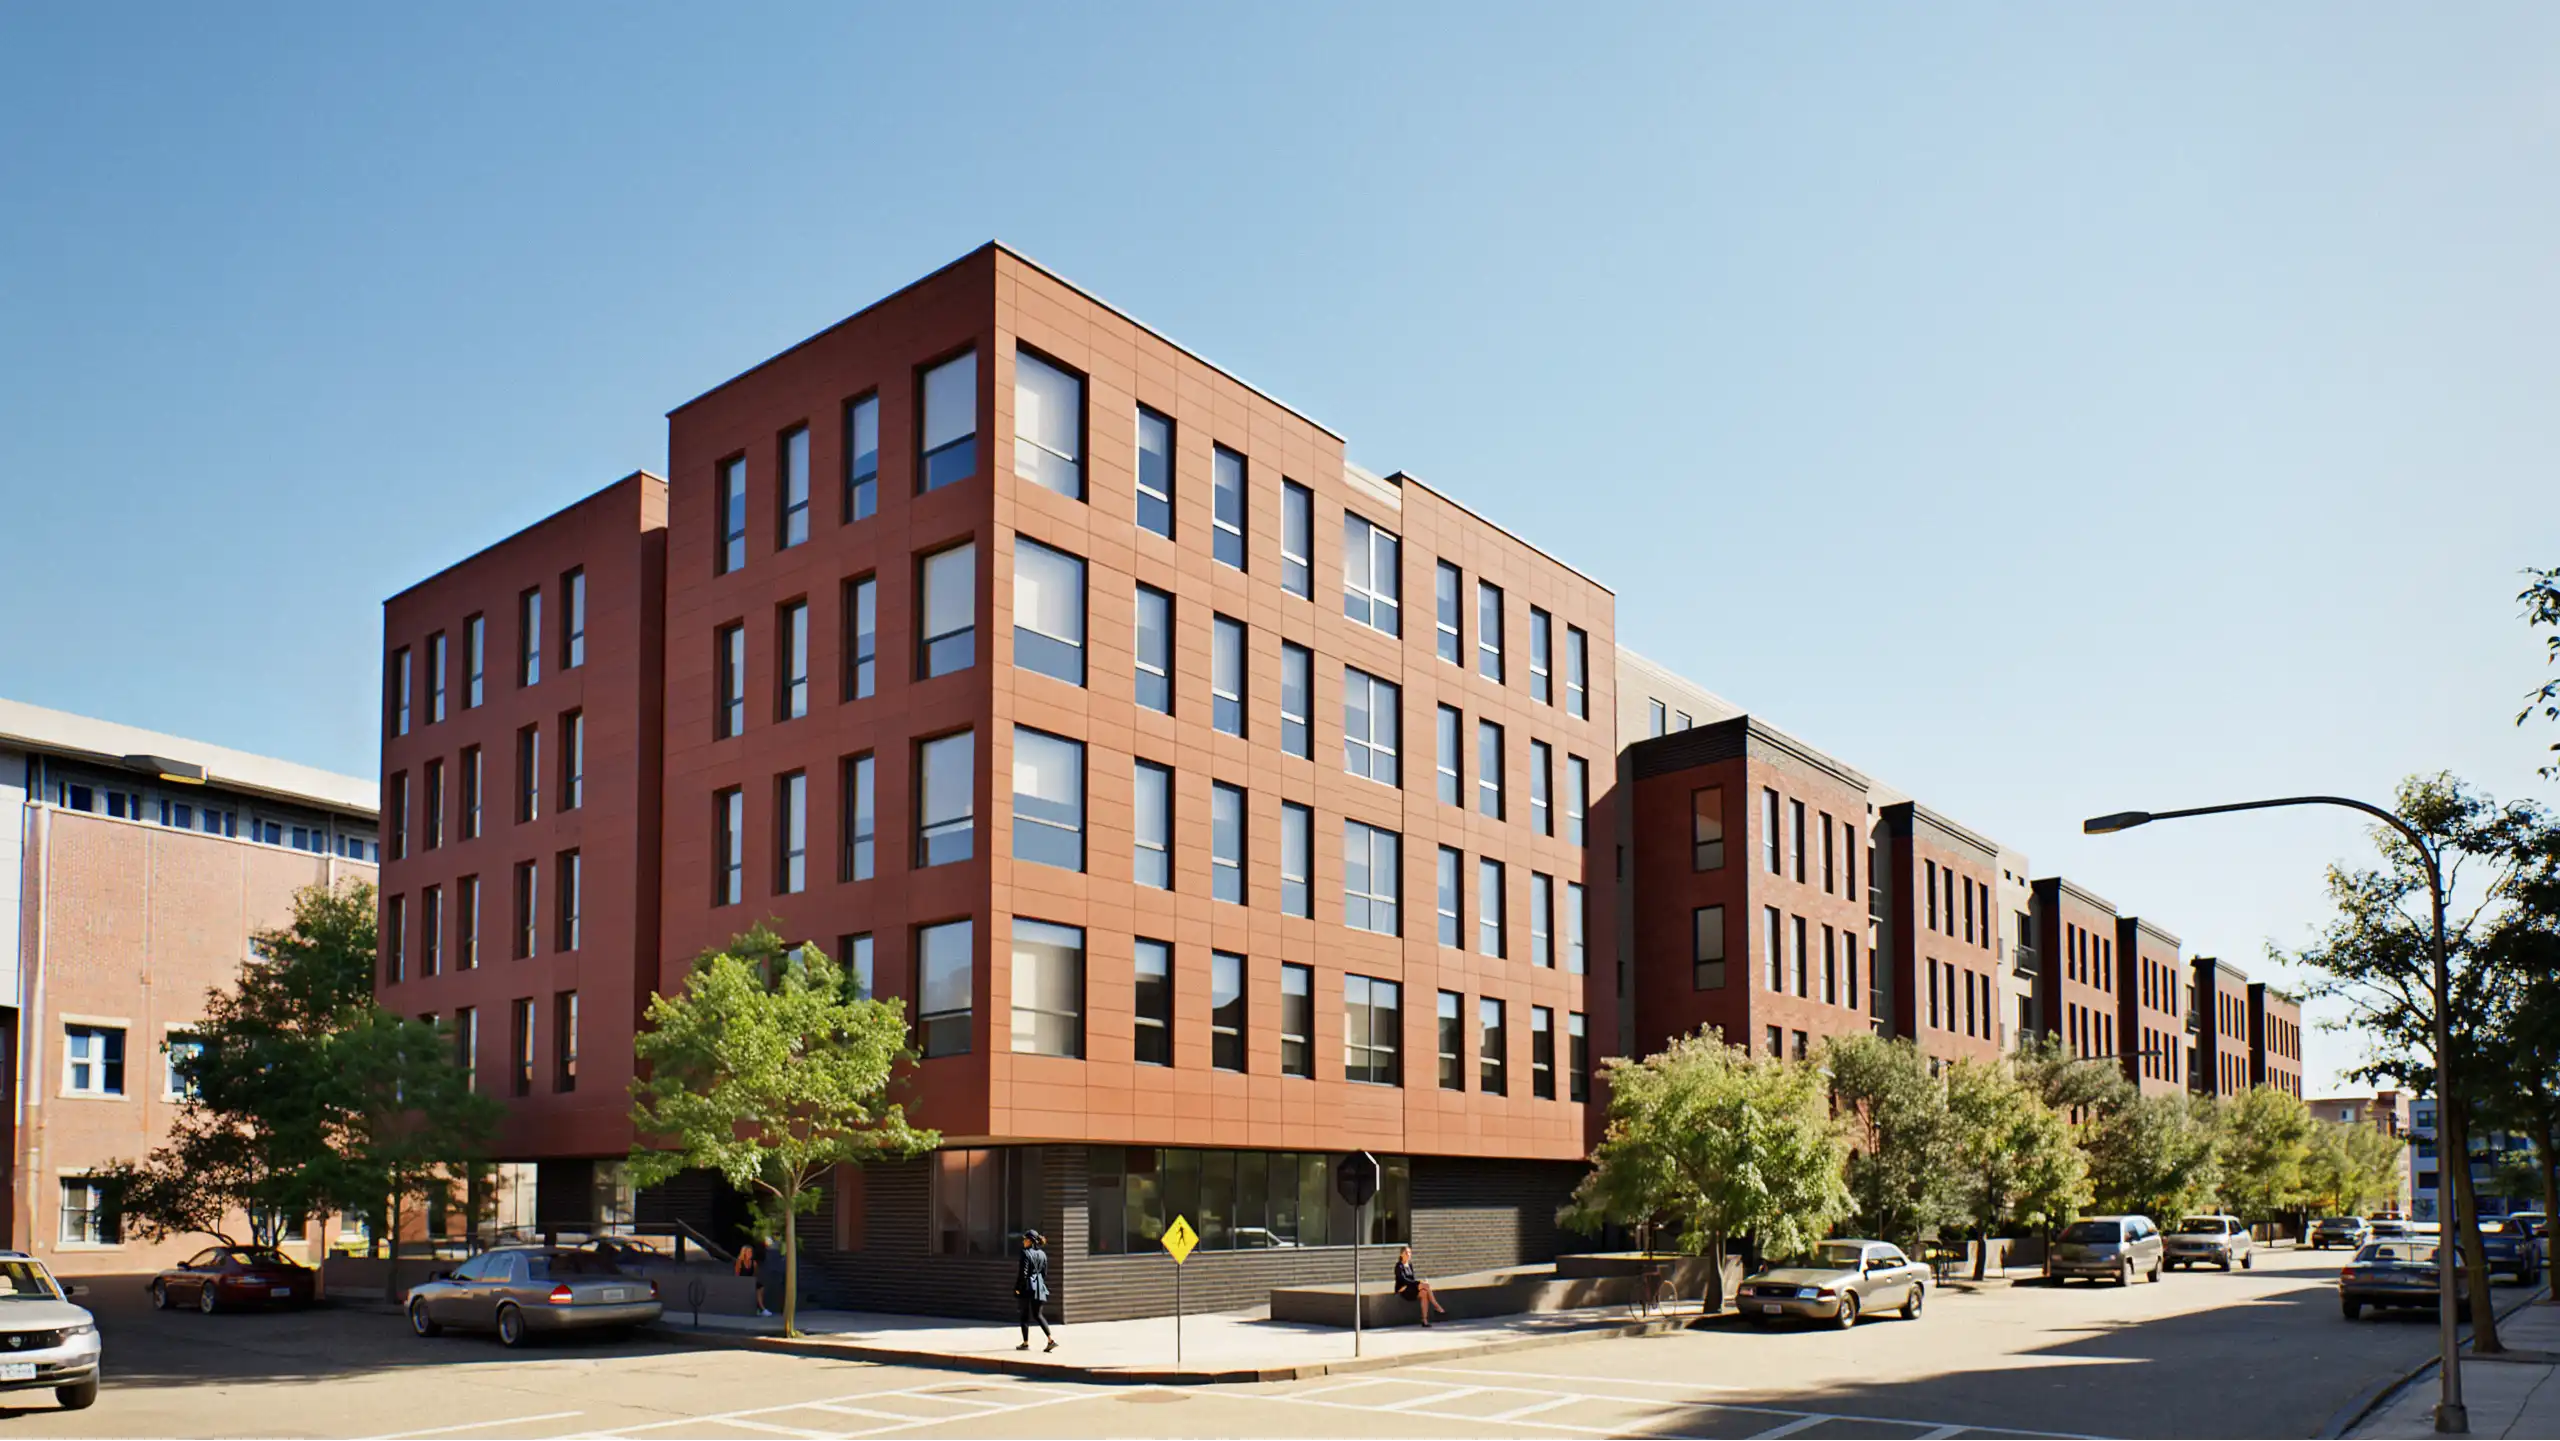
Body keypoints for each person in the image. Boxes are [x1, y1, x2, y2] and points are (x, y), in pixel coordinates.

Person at [1015, 1229, 1057, 1351]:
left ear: (1030, 1241)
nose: (1023, 1241)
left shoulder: (1025, 1253)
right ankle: (1050, 1340)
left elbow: (1023, 1273)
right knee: (1038, 1315)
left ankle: (1025, 1343)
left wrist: (1018, 1288)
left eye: (1025, 1239)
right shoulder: (1043, 1254)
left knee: (1024, 1315)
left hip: (1027, 1287)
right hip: (1040, 1287)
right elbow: (1044, 1273)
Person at [1395, 1245, 1447, 1327]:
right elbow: (1403, 1280)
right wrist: (1418, 1283)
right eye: (1406, 1253)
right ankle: (1436, 1306)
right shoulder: (1399, 1266)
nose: (1408, 1254)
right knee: (1426, 1285)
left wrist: (1417, 1283)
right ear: (1401, 1254)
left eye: (1409, 1252)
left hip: (1411, 1288)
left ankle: (1424, 1320)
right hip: (1403, 1290)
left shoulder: (1410, 1265)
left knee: (1424, 1293)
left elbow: (1412, 1279)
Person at [736, 1233, 774, 1317]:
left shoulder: (753, 1263)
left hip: (750, 1281)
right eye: (748, 1252)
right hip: (742, 1281)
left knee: (760, 1287)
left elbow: (755, 1274)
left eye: (751, 1252)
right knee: (757, 1289)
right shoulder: (740, 1262)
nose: (750, 1254)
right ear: (744, 1253)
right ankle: (761, 1308)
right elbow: (737, 1273)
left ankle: (760, 1308)